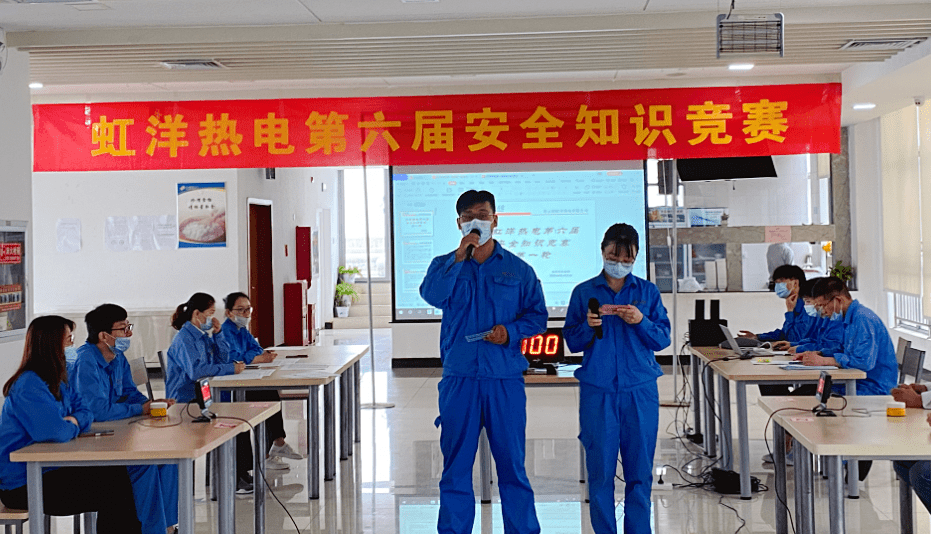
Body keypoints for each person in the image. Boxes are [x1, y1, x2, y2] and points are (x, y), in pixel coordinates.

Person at [419, 190, 547, 534]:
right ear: (459, 223)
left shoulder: (518, 270)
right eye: (469, 216)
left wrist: (510, 332)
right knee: (456, 468)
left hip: (504, 379)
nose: (477, 221)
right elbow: (431, 295)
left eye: (483, 214)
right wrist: (458, 256)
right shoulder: (444, 265)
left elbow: (537, 317)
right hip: (460, 379)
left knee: (512, 468)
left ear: (495, 219)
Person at [563, 223, 671, 534]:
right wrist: (587, 325)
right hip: (598, 391)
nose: (619, 264)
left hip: (639, 390)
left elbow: (662, 339)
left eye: (627, 259)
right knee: (600, 472)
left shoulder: (647, 292)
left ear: (635, 258)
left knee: (640, 472)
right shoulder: (584, 292)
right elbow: (572, 341)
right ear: (602, 251)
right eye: (613, 257)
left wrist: (641, 321)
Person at [0, 316, 143, 534]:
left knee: (118, 476)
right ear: (51, 344)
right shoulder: (29, 384)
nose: (72, 345)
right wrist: (72, 424)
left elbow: (86, 411)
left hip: (50, 469)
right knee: (114, 487)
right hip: (24, 483)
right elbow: (54, 432)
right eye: (68, 340)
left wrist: (73, 421)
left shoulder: (58, 379)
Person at [72, 304, 179, 534]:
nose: (128, 334)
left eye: (129, 326)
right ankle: (152, 530)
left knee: (168, 459)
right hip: (93, 439)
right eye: (123, 329)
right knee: (144, 465)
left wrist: (151, 405)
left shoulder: (117, 357)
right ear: (104, 335)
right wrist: (139, 409)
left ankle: (168, 526)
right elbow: (97, 411)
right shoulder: (86, 361)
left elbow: (130, 392)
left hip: (118, 430)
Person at [166, 292, 254, 494]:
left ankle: (239, 473)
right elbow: (197, 371)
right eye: (210, 313)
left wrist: (218, 334)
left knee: (240, 418)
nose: (212, 318)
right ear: (197, 314)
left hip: (203, 395)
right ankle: (232, 476)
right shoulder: (185, 338)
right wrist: (230, 369)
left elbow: (221, 359)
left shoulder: (201, 335)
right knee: (232, 421)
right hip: (186, 401)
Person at [216, 292, 303, 471]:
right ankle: (266, 454)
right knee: (263, 398)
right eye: (240, 310)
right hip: (230, 386)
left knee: (270, 392)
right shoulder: (225, 332)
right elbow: (233, 358)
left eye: (248, 309)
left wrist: (256, 357)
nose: (245, 314)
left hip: (244, 378)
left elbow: (257, 348)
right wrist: (255, 358)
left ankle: (278, 442)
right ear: (229, 313)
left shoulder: (242, 330)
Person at [793, 277, 897, 396]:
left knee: (804, 395)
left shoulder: (863, 319)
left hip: (872, 387)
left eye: (823, 306)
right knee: (805, 391)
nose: (823, 312)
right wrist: (819, 354)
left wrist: (824, 361)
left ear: (838, 300)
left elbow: (864, 362)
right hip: (858, 382)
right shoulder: (850, 318)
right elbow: (844, 349)